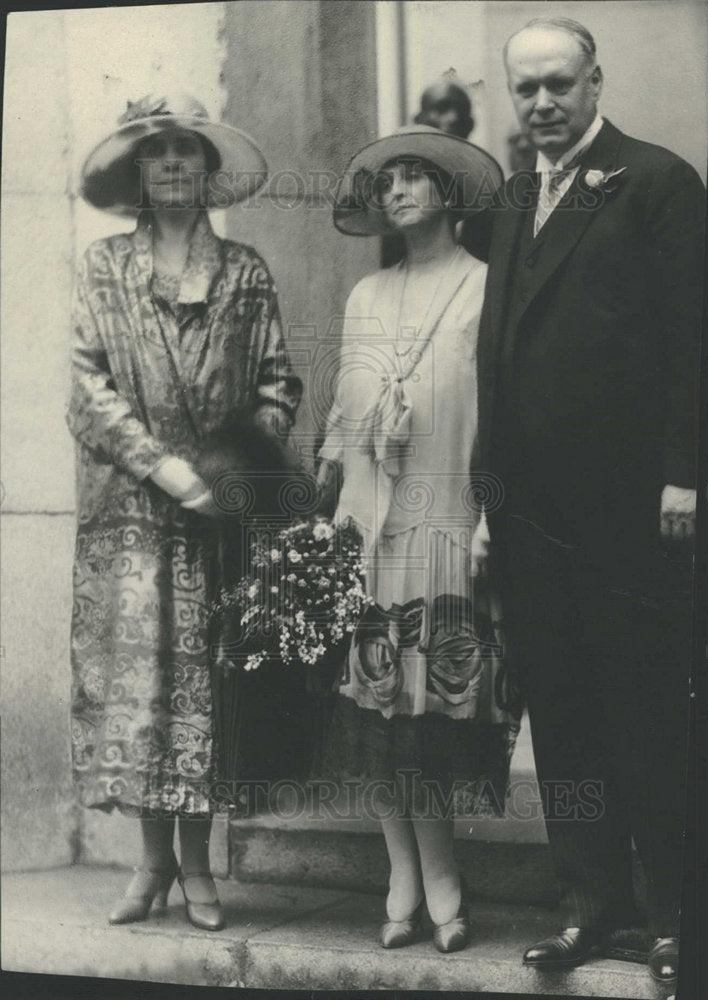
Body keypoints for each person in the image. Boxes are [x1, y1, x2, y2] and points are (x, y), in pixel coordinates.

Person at [473, 18, 704, 984]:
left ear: (594, 80)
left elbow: (695, 340)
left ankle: (677, 922)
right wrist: (488, 502)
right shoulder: (515, 194)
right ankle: (593, 909)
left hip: (630, 514)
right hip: (532, 520)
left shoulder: (656, 182)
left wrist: (685, 474)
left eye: (557, 84)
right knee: (562, 717)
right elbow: (499, 359)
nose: (540, 105)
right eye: (524, 89)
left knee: (647, 714)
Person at [68, 93, 301, 931]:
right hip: (130, 514)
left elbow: (277, 384)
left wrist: (233, 471)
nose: (171, 165)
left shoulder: (243, 271)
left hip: (219, 519)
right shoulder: (102, 267)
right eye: (156, 152)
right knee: (139, 689)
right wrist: (166, 468)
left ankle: (199, 867)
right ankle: (151, 864)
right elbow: (87, 389)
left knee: (208, 686)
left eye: (185, 152)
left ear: (207, 169)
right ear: (139, 170)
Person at [318, 126, 519, 953]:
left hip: (445, 520)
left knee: (427, 707)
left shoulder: (483, 287)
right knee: (374, 708)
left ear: (448, 193)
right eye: (386, 181)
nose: (396, 191)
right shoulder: (368, 298)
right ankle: (398, 867)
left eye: (413, 178)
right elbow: (340, 410)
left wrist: (486, 519)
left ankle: (440, 873)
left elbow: (499, 416)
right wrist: (332, 505)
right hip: (371, 524)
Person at [381, 80, 490, 267]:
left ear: (470, 124)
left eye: (461, 112)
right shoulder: (400, 196)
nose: (454, 118)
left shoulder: (491, 197)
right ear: (419, 120)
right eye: (442, 109)